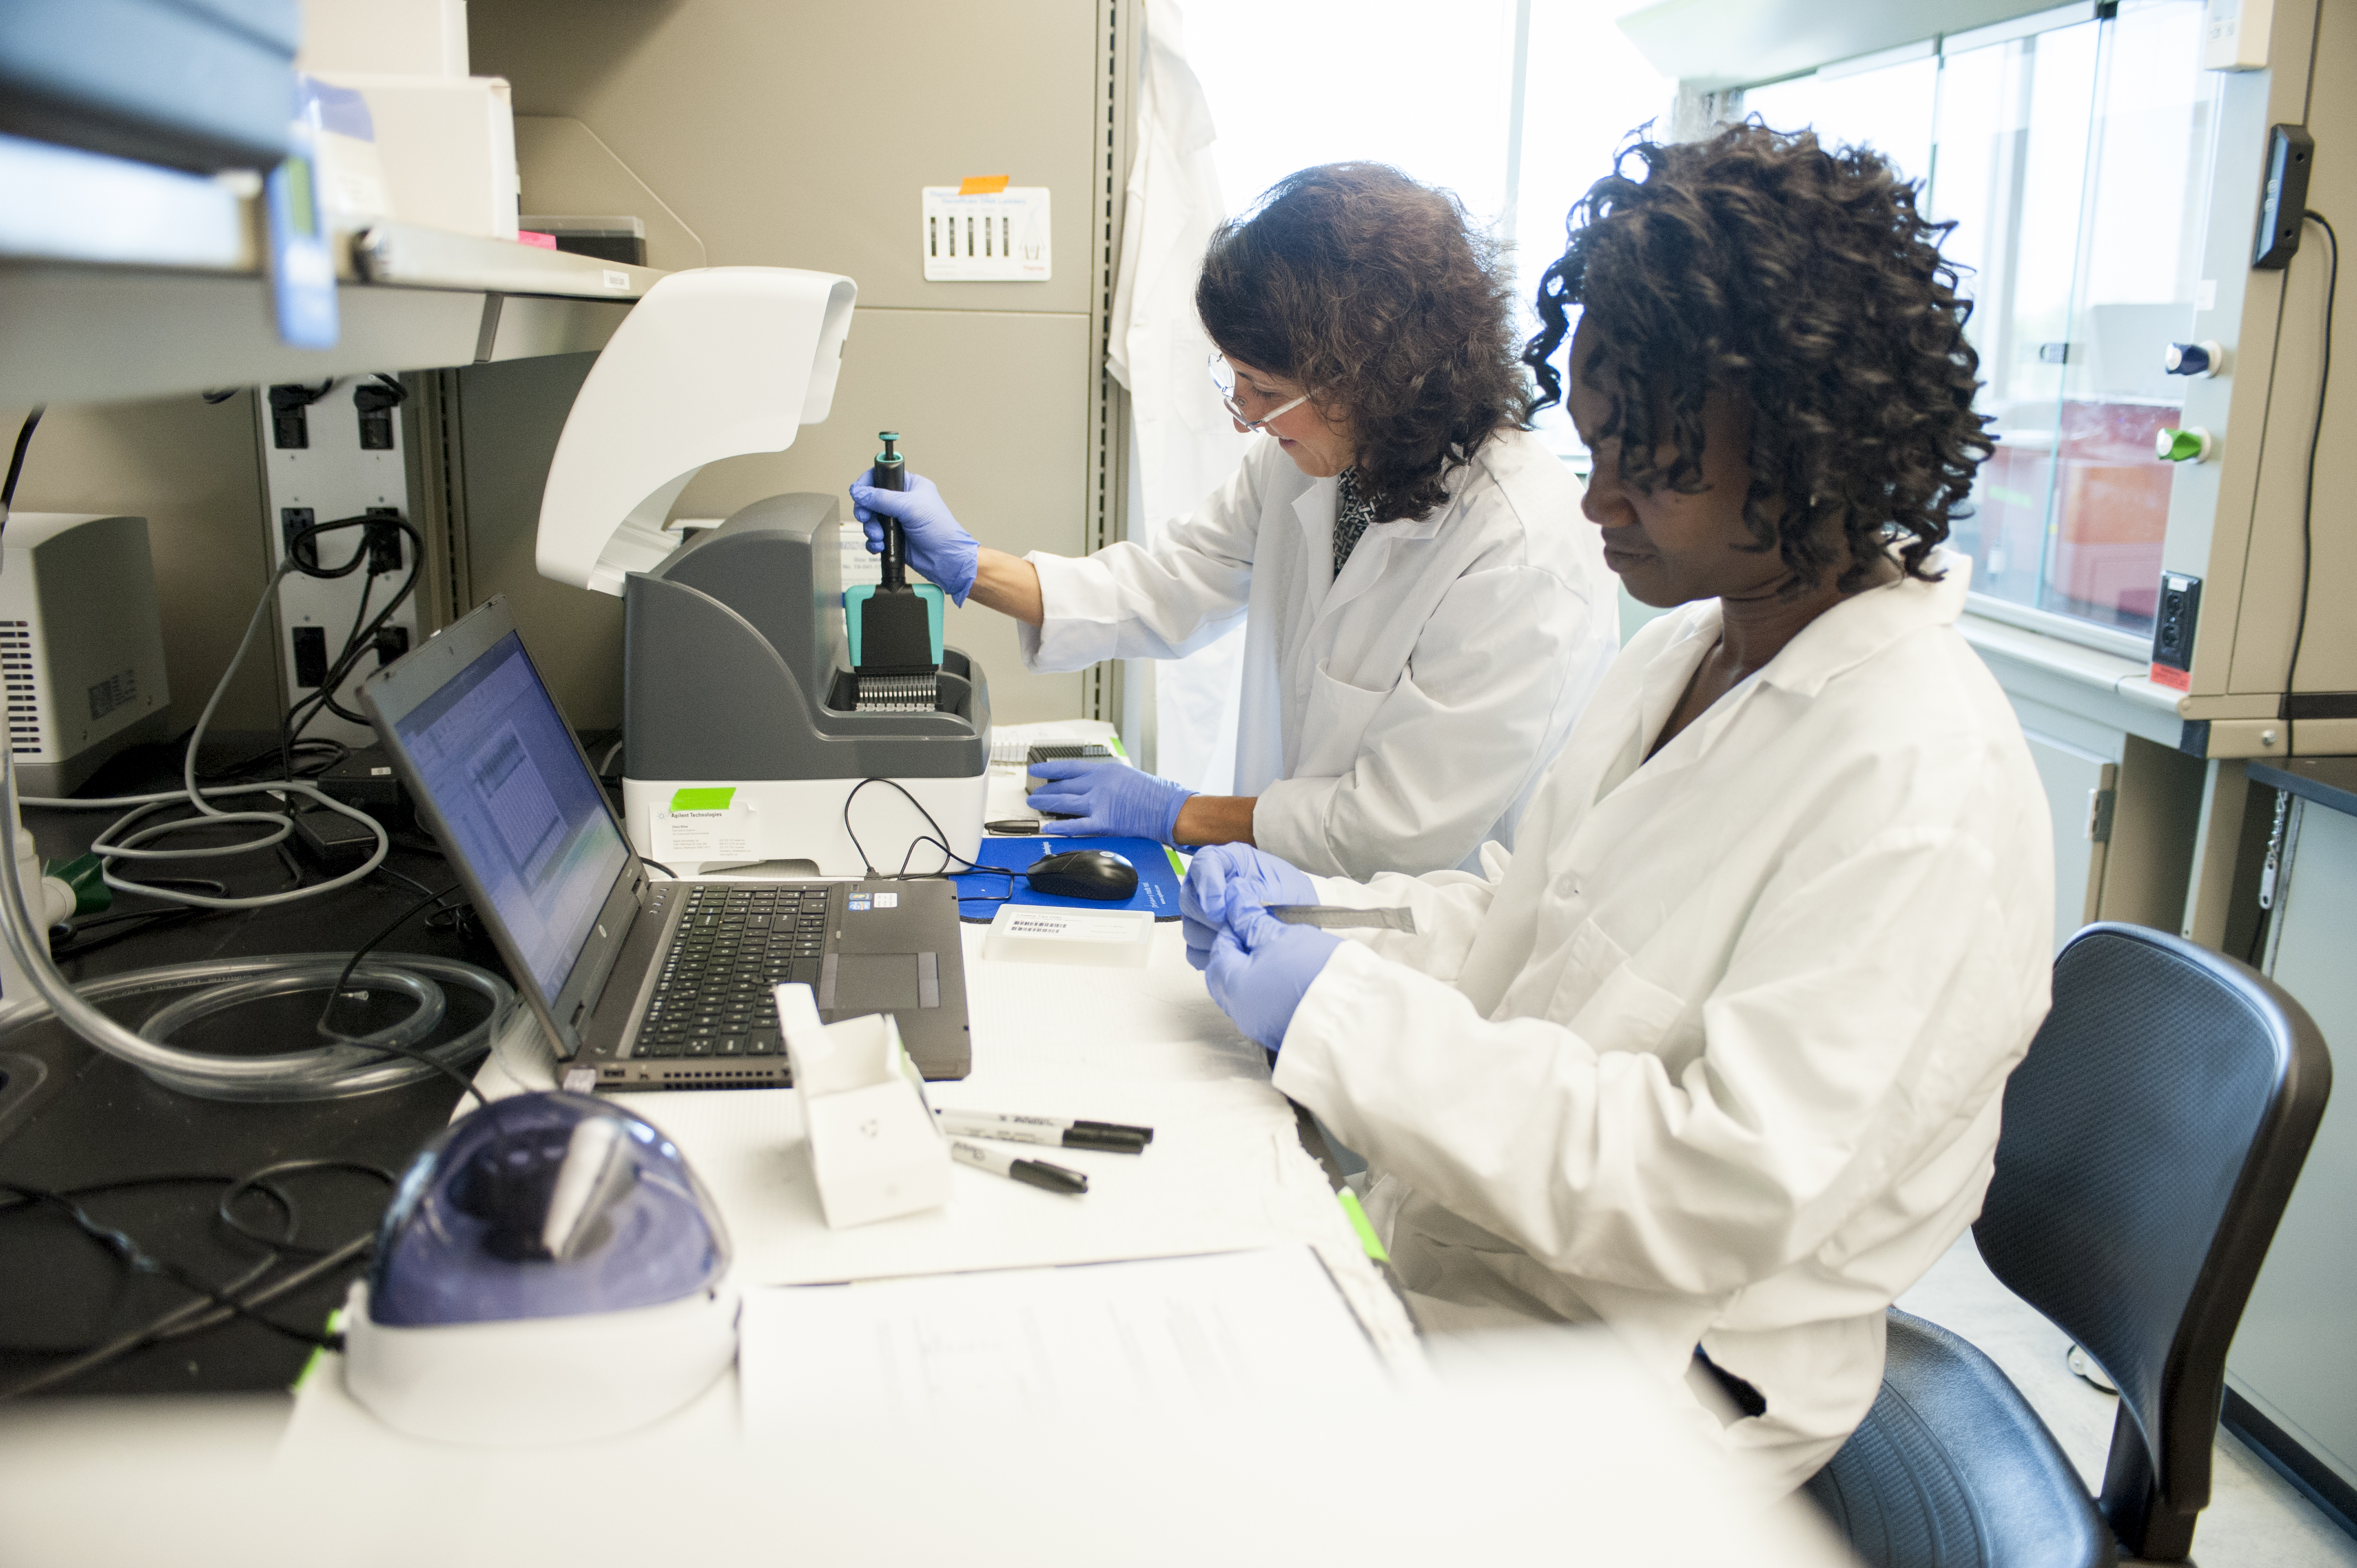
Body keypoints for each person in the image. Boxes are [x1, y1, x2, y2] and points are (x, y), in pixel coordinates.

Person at [1179, 125, 2055, 1492]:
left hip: (1651, 1385)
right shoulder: (1684, 655)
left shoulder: (1918, 778)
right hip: (1498, 1271)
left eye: (1649, 464)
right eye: (1592, 445)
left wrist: (1335, 1012)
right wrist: (1310, 930)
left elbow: (1711, 1187)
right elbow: (1519, 920)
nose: (1596, 500)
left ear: (1805, 446)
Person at [848, 163, 1617, 879]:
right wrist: (966, 564)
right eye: (1233, 376)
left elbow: (1398, 825)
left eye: (1262, 386)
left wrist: (1176, 813)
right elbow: (1170, 584)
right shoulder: (1314, 460)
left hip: (1428, 958)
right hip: (1297, 905)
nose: (1244, 415)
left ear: (1375, 378)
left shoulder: (1518, 550)